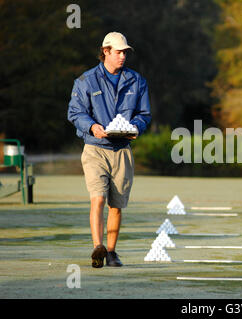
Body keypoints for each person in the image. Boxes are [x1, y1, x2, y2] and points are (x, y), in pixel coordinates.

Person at [68, 32, 151, 268]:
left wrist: (137, 128)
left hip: (122, 149)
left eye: (125, 52)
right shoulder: (86, 81)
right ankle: (98, 247)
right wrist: (92, 126)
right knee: (98, 199)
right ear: (105, 51)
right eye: (118, 52)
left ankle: (112, 252)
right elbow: (75, 112)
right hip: (95, 149)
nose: (123, 56)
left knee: (117, 205)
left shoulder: (137, 81)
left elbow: (144, 115)